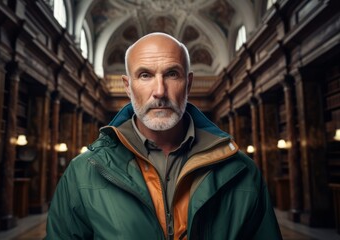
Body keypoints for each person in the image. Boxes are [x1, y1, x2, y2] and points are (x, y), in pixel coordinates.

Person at [45, 32, 282, 240]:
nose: (159, 91)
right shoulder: (83, 172)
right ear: (128, 87)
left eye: (172, 74)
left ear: (188, 84)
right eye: (145, 75)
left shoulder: (241, 171)